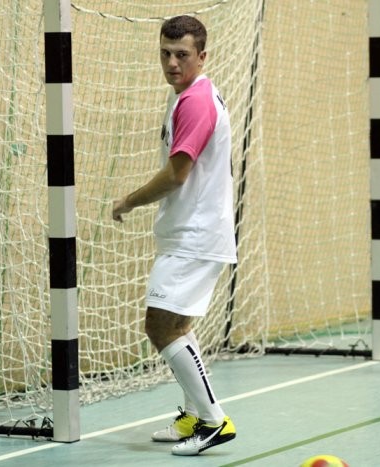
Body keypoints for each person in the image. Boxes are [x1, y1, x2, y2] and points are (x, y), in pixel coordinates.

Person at [112, 15, 237, 455]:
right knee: (177, 325)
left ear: (202, 56)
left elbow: (176, 175)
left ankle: (214, 421)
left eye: (182, 55)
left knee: (161, 325)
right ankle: (194, 416)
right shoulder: (185, 95)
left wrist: (128, 201)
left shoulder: (196, 102)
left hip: (196, 236)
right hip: (189, 233)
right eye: (165, 53)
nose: (171, 63)